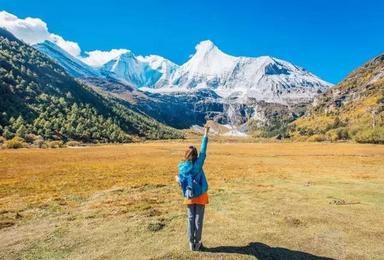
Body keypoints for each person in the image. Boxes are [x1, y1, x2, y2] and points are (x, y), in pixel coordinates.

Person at [176, 125, 210, 251]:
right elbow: (203, 149)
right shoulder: (198, 163)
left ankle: (191, 243)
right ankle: (198, 242)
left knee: (190, 218)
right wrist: (206, 133)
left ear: (186, 155)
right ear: (196, 155)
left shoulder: (182, 167)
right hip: (200, 194)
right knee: (198, 219)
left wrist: (178, 180)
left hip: (189, 195)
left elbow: (180, 180)